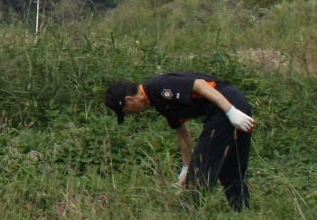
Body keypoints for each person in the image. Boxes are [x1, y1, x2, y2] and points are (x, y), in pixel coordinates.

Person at [104, 72, 257, 209]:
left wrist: (231, 111)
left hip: (227, 105)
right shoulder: (160, 104)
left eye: (126, 111)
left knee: (202, 162)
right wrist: (185, 168)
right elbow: (182, 131)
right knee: (232, 164)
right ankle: (242, 209)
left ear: (130, 99)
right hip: (231, 106)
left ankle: (189, 210)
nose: (131, 114)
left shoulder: (159, 85)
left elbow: (200, 85)